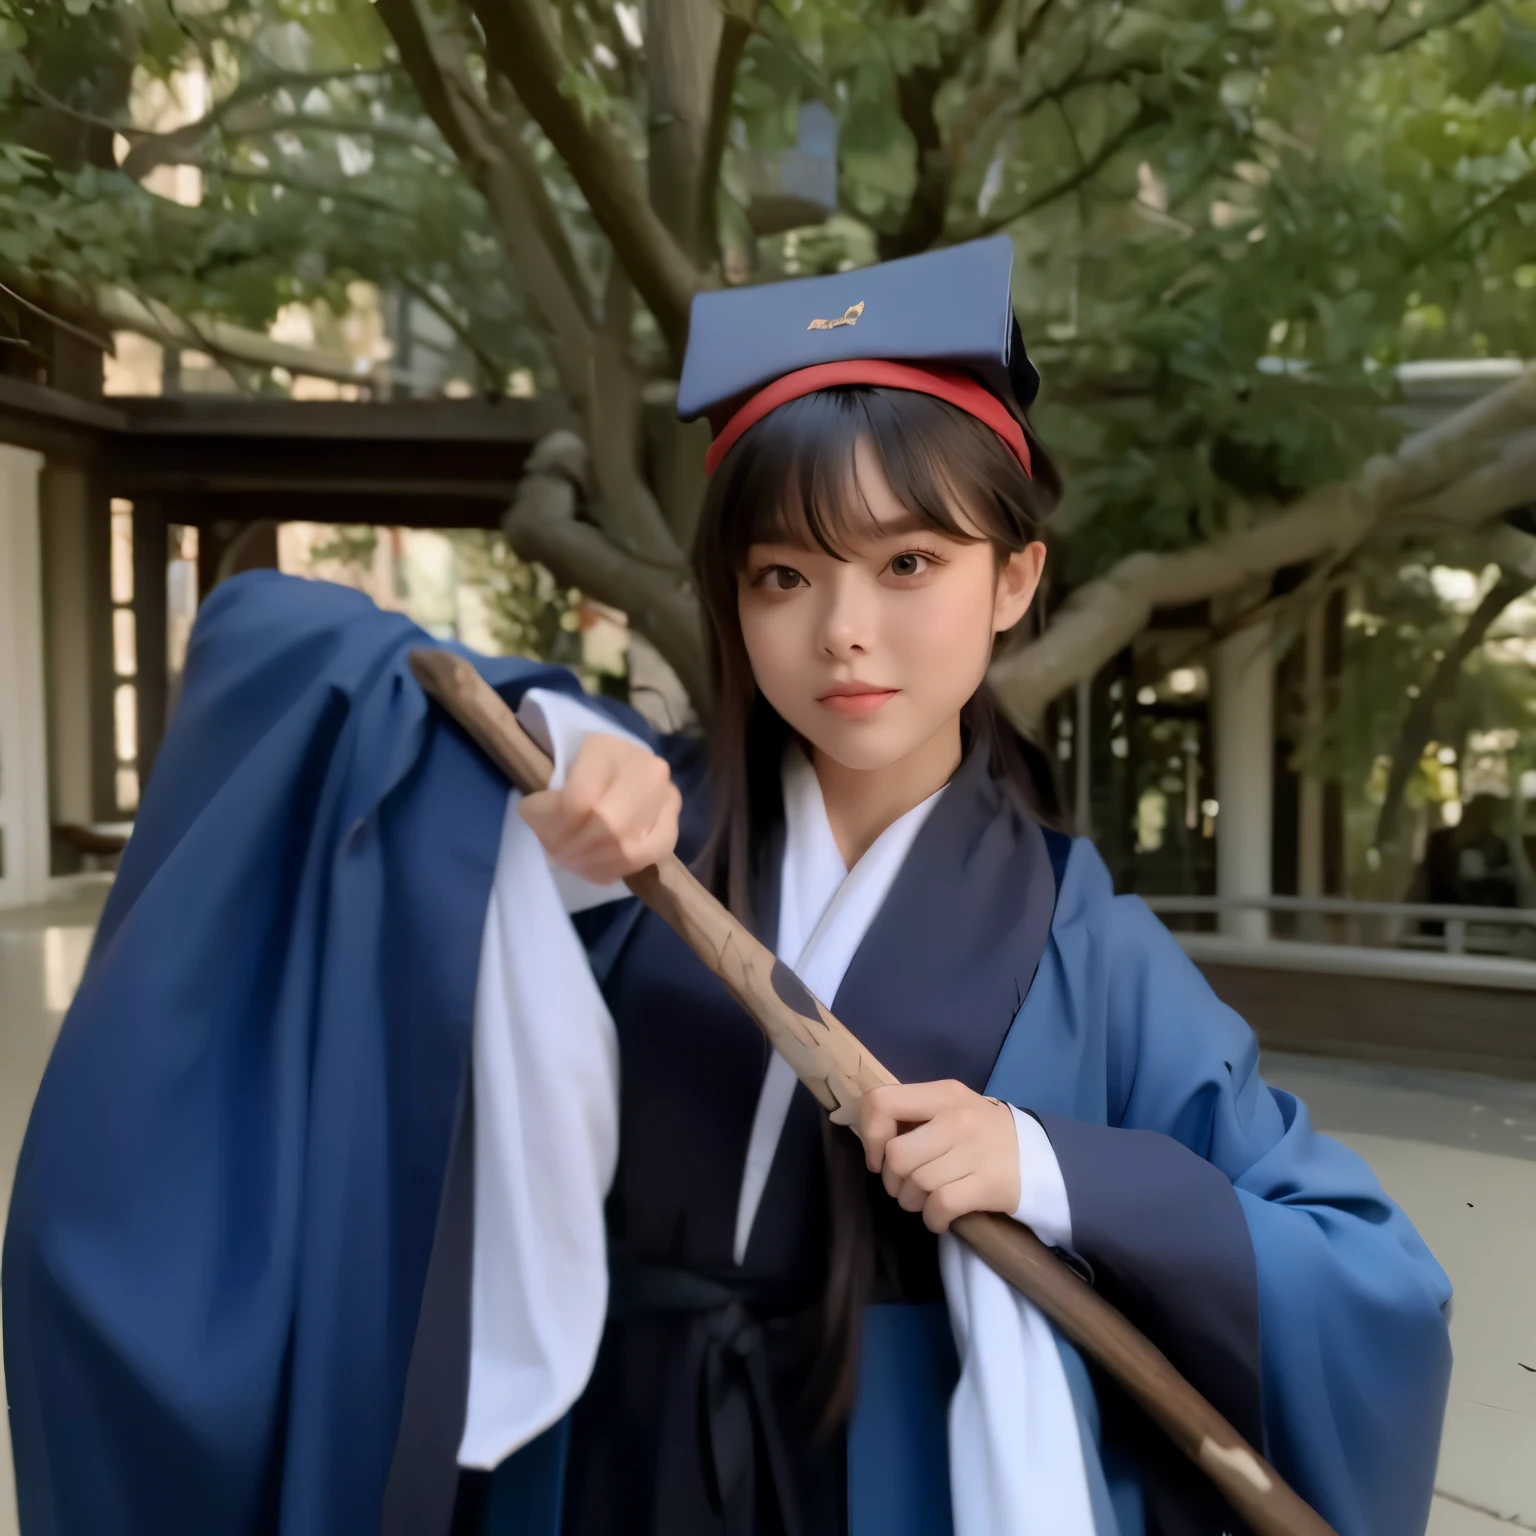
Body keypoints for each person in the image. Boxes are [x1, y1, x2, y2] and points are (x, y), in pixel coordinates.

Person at [4, 239, 1451, 1536]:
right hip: (597, 1461)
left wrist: (1051, 1170)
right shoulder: (622, 832)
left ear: (1014, 582)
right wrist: (554, 751)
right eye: (782, 576)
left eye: (910, 563)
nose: (845, 632)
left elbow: (1366, 1274)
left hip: (883, 1483)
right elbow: (287, 646)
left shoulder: (1089, 945)